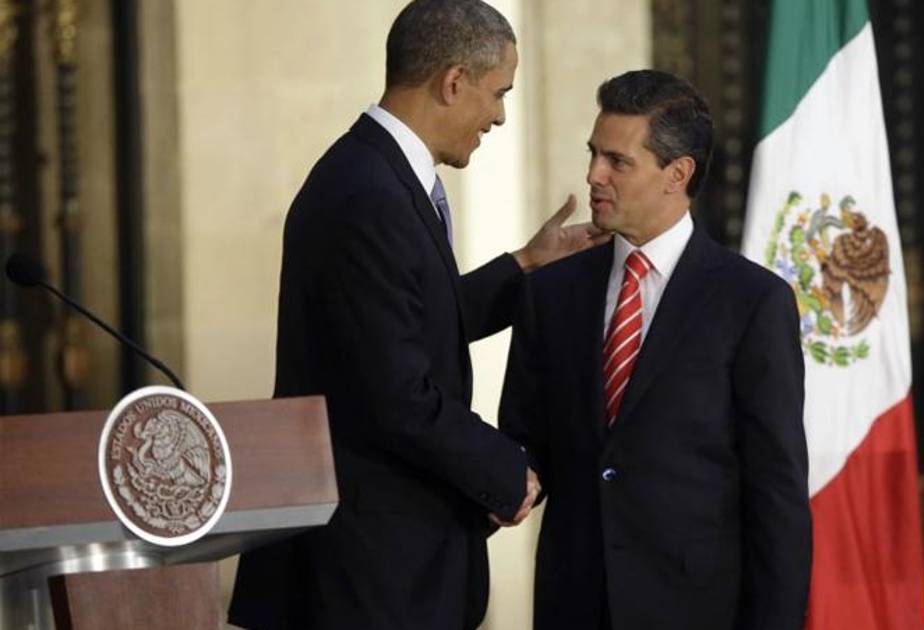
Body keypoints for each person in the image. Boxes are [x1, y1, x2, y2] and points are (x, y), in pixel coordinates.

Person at [229, 1, 605, 628]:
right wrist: (504, 470)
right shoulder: (367, 195)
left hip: (381, 561)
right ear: (453, 82)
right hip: (366, 569)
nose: (500, 116)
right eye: (498, 93)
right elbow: (396, 393)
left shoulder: (375, 174)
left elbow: (404, 324)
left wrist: (525, 265)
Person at [499, 69, 812, 630]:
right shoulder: (551, 292)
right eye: (594, 154)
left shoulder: (752, 302)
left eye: (617, 161)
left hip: (696, 610)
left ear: (677, 174)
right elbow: (523, 443)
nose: (593, 175)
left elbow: (776, 492)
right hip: (574, 606)